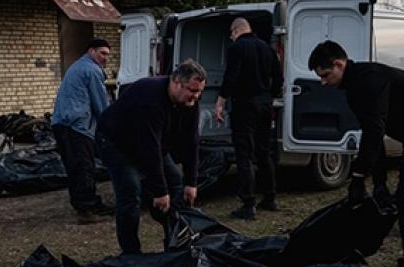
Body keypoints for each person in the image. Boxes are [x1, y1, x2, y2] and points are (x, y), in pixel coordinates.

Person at [308, 40, 404, 267]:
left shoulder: (368, 80)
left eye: (326, 75)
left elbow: (374, 133)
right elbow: (375, 135)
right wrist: (379, 183)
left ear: (339, 64)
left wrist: (358, 178)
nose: (323, 82)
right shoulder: (354, 89)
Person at [96, 60, 207, 254]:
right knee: (130, 192)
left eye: (199, 92)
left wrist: (192, 182)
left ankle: (176, 243)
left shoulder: (190, 103)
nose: (196, 96)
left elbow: (192, 142)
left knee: (176, 186)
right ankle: (131, 253)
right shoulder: (150, 98)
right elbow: (149, 147)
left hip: (148, 143)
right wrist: (159, 191)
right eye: (192, 90)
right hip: (116, 143)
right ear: (176, 82)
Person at [214, 17, 283, 219]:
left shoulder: (237, 48)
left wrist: (220, 101)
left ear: (235, 31)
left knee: (244, 154)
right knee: (263, 152)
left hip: (245, 105)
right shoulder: (267, 48)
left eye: (231, 34)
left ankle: (248, 203)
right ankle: (270, 198)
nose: (231, 37)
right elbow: (278, 77)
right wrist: (269, 96)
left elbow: (231, 76)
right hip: (264, 104)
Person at [51, 38, 112, 223]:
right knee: (83, 168)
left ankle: (91, 204)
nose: (105, 58)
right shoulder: (91, 70)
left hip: (65, 124)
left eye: (108, 55)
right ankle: (86, 211)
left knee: (77, 167)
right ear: (91, 51)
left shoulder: (78, 66)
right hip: (75, 126)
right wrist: (112, 125)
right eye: (102, 53)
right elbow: (100, 104)